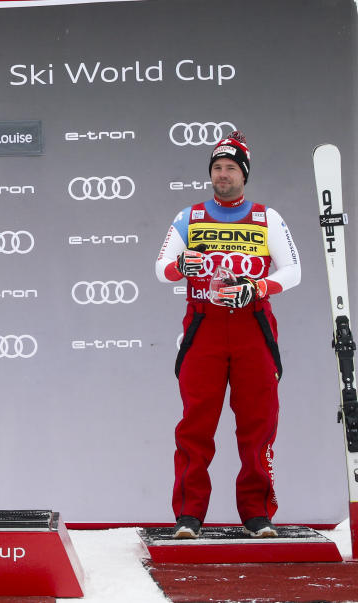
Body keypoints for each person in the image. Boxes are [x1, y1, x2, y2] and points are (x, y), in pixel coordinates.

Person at [155, 130, 301, 539]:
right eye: (217, 168)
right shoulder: (189, 216)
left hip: (253, 324)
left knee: (258, 423)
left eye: (231, 168)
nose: (223, 175)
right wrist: (183, 265)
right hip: (204, 324)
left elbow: (293, 271)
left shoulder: (266, 217)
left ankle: (257, 514)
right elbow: (160, 267)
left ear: (244, 174)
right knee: (195, 425)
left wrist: (259, 287)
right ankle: (188, 516)